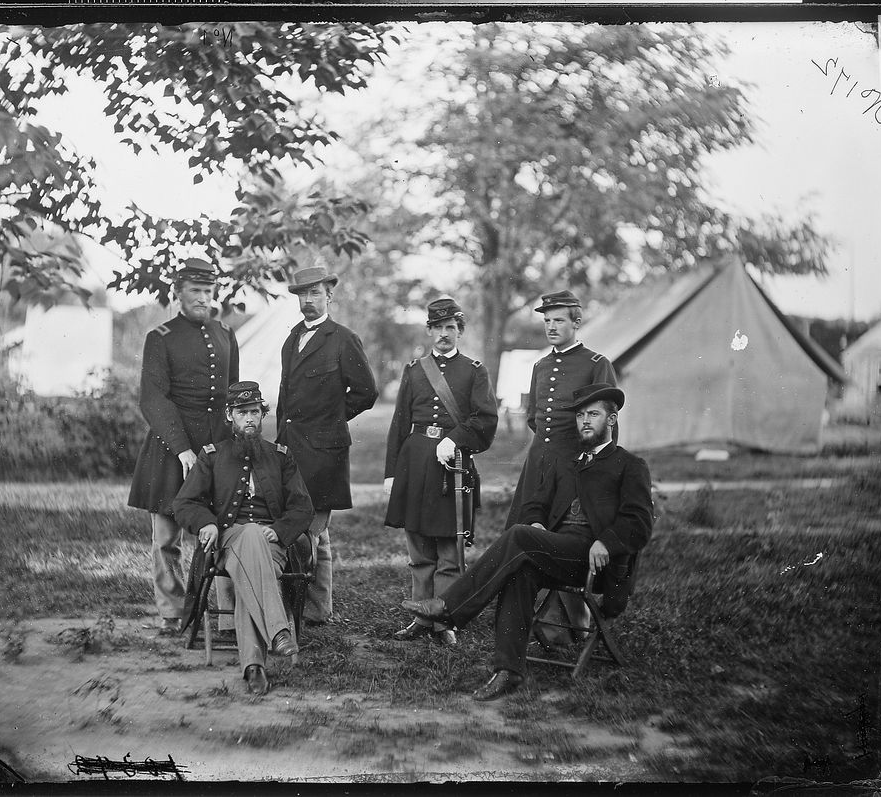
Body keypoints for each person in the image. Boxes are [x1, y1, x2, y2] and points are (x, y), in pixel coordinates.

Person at [400, 383, 653, 701]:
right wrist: (536, 523)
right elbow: (536, 504)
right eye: (580, 416)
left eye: (594, 414)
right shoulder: (566, 463)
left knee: (519, 537)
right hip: (556, 550)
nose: (585, 421)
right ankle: (508, 671)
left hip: (594, 561)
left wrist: (606, 542)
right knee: (520, 571)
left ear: (612, 420)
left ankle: (449, 606)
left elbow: (639, 523)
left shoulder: (629, 466)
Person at [173, 382, 314, 695]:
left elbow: (303, 507)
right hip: (227, 542)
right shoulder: (212, 456)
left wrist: (278, 530)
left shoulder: (280, 457)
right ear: (230, 416)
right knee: (248, 534)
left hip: (273, 546)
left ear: (262, 415)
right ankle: (278, 630)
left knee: (249, 568)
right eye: (242, 412)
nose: (249, 418)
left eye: (254, 412)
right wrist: (206, 523)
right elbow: (184, 503)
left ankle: (254, 669)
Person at [128, 258, 239, 636]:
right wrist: (182, 449)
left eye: (208, 292)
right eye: (195, 291)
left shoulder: (226, 333)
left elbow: (233, 397)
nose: (203, 299)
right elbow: (153, 400)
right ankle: (172, 613)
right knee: (166, 537)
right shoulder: (160, 337)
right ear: (179, 292)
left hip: (216, 447)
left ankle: (227, 613)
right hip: (170, 448)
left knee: (222, 530)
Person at [383, 297, 499, 646]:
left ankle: (445, 620)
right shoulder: (414, 370)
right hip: (415, 464)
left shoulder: (474, 370)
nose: (444, 334)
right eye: (438, 328)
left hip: (452, 467)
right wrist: (392, 473)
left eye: (451, 328)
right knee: (419, 547)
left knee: (450, 550)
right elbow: (399, 422)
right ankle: (421, 616)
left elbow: (486, 419)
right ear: (430, 331)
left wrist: (456, 439)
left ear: (460, 331)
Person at [277, 265, 378, 625]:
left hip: (324, 453)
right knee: (308, 532)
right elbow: (284, 400)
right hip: (291, 451)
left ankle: (307, 612)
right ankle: (317, 610)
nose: (308, 299)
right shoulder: (291, 339)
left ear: (329, 296)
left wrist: (330, 420)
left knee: (312, 531)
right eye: (303, 294)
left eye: (315, 293)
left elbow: (367, 392)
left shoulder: (343, 338)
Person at [505, 290, 617, 527]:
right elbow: (533, 417)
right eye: (547, 321)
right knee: (525, 532)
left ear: (576, 323)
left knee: (564, 534)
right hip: (537, 463)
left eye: (559, 320)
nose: (551, 327)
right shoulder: (541, 365)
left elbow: (606, 425)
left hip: (573, 464)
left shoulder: (596, 364)